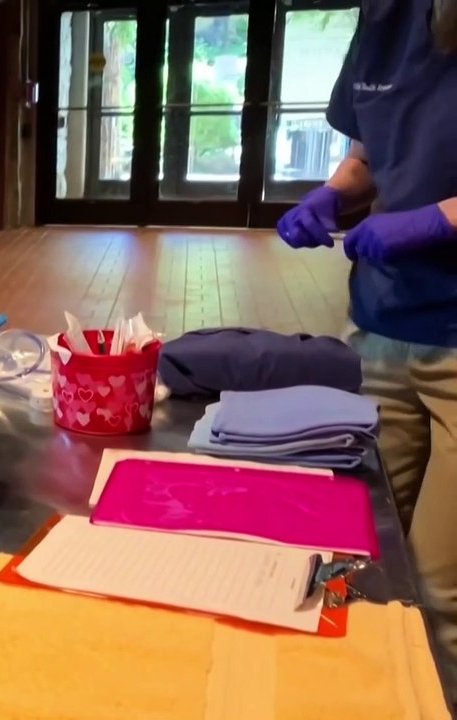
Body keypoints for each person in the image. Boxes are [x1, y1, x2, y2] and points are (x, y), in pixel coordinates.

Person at [275, 0, 457, 673]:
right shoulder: (383, 20)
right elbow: (370, 157)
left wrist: (437, 221)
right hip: (380, 327)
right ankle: (349, 688)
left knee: (439, 587)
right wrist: (333, 195)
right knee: (354, 553)